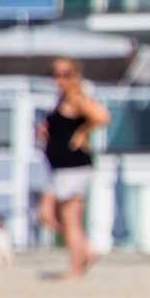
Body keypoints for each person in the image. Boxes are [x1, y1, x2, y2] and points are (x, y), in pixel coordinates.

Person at [36, 58, 109, 279]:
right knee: (48, 215)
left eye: (65, 74)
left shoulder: (77, 98)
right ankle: (86, 250)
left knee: (70, 218)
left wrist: (82, 133)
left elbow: (102, 116)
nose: (60, 79)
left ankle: (76, 268)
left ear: (76, 75)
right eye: (55, 74)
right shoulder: (61, 99)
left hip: (73, 166)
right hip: (59, 167)